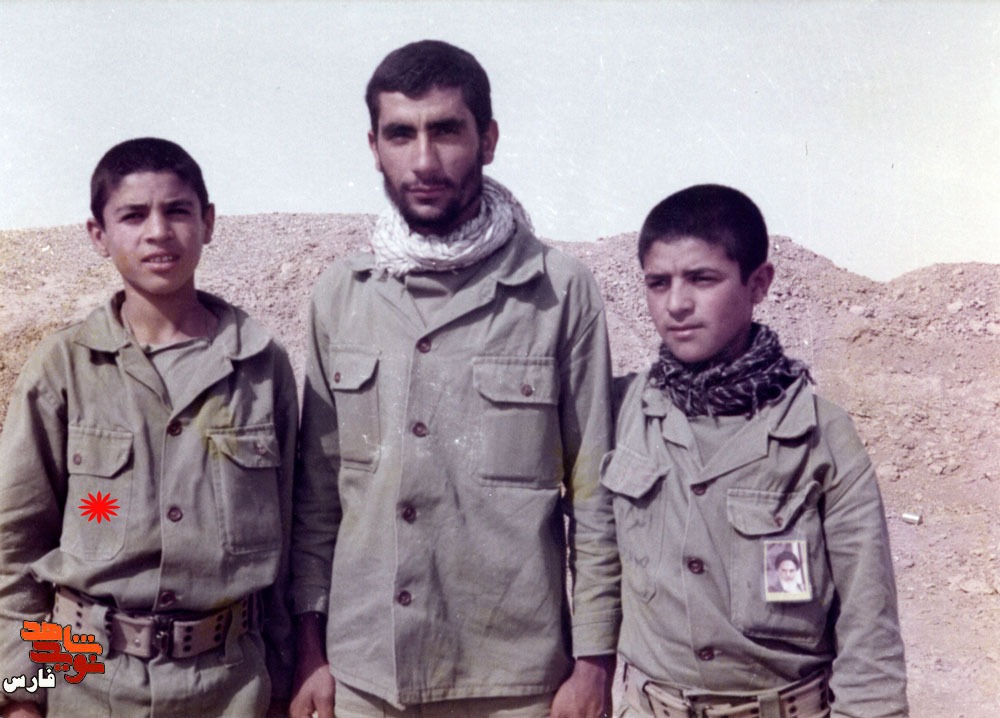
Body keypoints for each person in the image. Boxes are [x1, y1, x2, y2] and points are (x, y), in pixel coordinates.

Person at [290, 39, 620, 718]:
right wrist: (310, 652)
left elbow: (594, 497)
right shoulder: (342, 296)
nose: (423, 161)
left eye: (445, 131)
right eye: (400, 134)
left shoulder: (559, 293)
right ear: (374, 147)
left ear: (487, 140)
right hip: (363, 679)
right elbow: (319, 496)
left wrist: (593, 666)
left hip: (513, 685)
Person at [0, 138, 296, 718]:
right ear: (98, 234)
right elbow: (14, 547)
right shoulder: (64, 367)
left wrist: (284, 683)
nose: (158, 232)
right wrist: (18, 698)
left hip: (230, 687)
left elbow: (290, 539)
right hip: (82, 677)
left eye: (177, 211)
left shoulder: (260, 365)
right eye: (133, 216)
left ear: (208, 222)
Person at [603, 185, 907, 718]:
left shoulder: (820, 437)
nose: (676, 304)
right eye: (658, 282)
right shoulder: (621, 413)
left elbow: (869, 629)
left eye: (702, 279)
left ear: (759, 283)